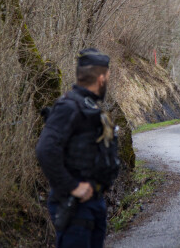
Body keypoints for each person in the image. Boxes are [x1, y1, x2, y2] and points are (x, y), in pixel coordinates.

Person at [36, 48, 120, 248]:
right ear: (101, 79)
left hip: (93, 204)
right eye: (107, 76)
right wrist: (73, 186)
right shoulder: (68, 107)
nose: (107, 81)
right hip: (75, 208)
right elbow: (45, 150)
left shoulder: (89, 106)